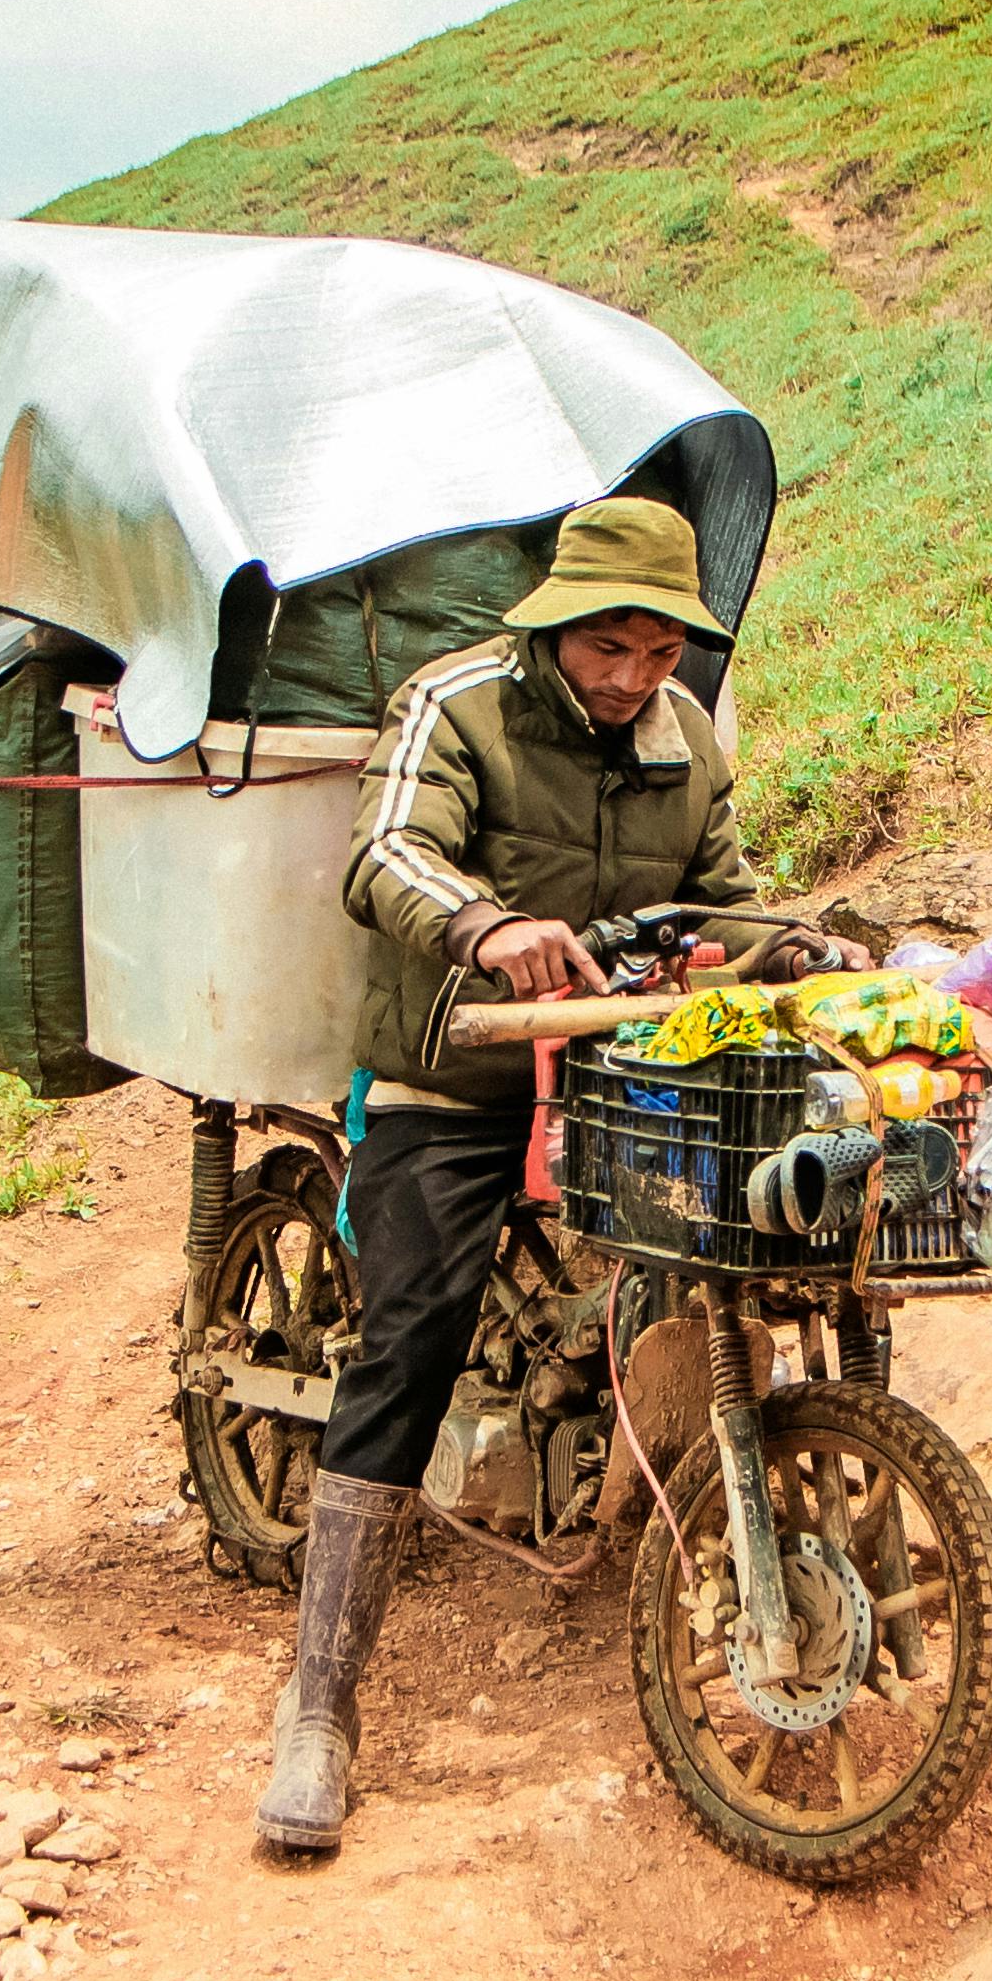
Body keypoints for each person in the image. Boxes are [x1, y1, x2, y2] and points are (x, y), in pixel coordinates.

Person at [260, 494, 762, 1857]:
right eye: (610, 647)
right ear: (556, 625)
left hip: (614, 1068)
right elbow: (383, 855)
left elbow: (723, 889)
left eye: (660, 654)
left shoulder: (686, 737)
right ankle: (319, 1708)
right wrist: (487, 926)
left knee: (755, 1233)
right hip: (459, 1068)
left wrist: (762, 944)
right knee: (412, 1330)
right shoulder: (458, 702)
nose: (632, 680)